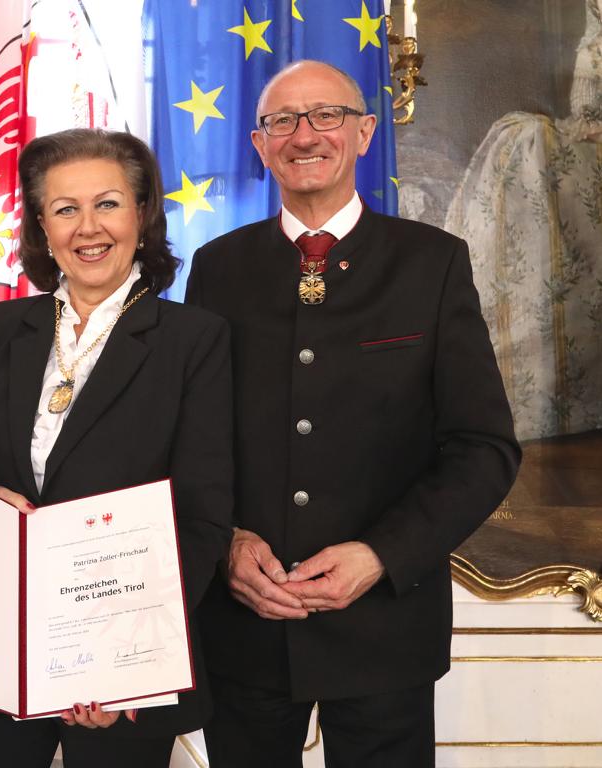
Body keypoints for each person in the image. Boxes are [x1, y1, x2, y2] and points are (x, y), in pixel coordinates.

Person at [185, 60, 521, 768]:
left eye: (326, 116)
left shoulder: (431, 264)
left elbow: (482, 447)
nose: (304, 135)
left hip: (383, 632)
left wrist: (382, 554)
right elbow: (195, 436)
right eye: (283, 120)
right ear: (259, 143)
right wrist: (227, 543)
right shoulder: (217, 267)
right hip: (245, 626)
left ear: (365, 133)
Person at [0, 128, 233, 768]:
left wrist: (121, 659)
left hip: (124, 669)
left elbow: (203, 513)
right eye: (65, 209)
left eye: (108, 204)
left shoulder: (194, 339)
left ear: (143, 215)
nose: (88, 227)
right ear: (42, 228)